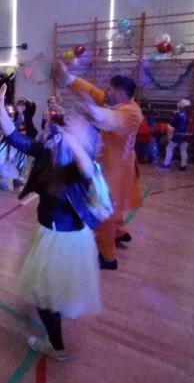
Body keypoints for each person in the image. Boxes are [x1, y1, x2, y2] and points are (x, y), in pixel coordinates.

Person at [0, 85, 103, 361]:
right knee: (54, 287)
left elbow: (86, 168)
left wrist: (72, 136)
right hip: (57, 234)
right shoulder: (49, 153)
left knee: (43, 295)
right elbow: (15, 138)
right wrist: (0, 105)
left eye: (57, 130)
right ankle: (57, 317)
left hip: (61, 238)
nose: (51, 133)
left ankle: (56, 346)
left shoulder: (79, 166)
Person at [58, 60, 143, 270]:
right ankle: (120, 232)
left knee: (103, 207)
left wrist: (91, 110)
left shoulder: (131, 112)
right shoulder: (117, 103)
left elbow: (112, 120)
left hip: (117, 168)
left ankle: (107, 256)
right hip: (117, 164)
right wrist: (68, 78)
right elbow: (93, 92)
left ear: (120, 93)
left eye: (110, 89)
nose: (106, 91)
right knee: (115, 204)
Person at [162, 99, 192, 171]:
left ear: (183, 105)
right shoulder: (188, 114)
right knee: (183, 150)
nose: (178, 104)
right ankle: (183, 166)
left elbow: (173, 125)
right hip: (186, 134)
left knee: (169, 148)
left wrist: (171, 133)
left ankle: (166, 164)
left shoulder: (179, 115)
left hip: (178, 134)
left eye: (180, 103)